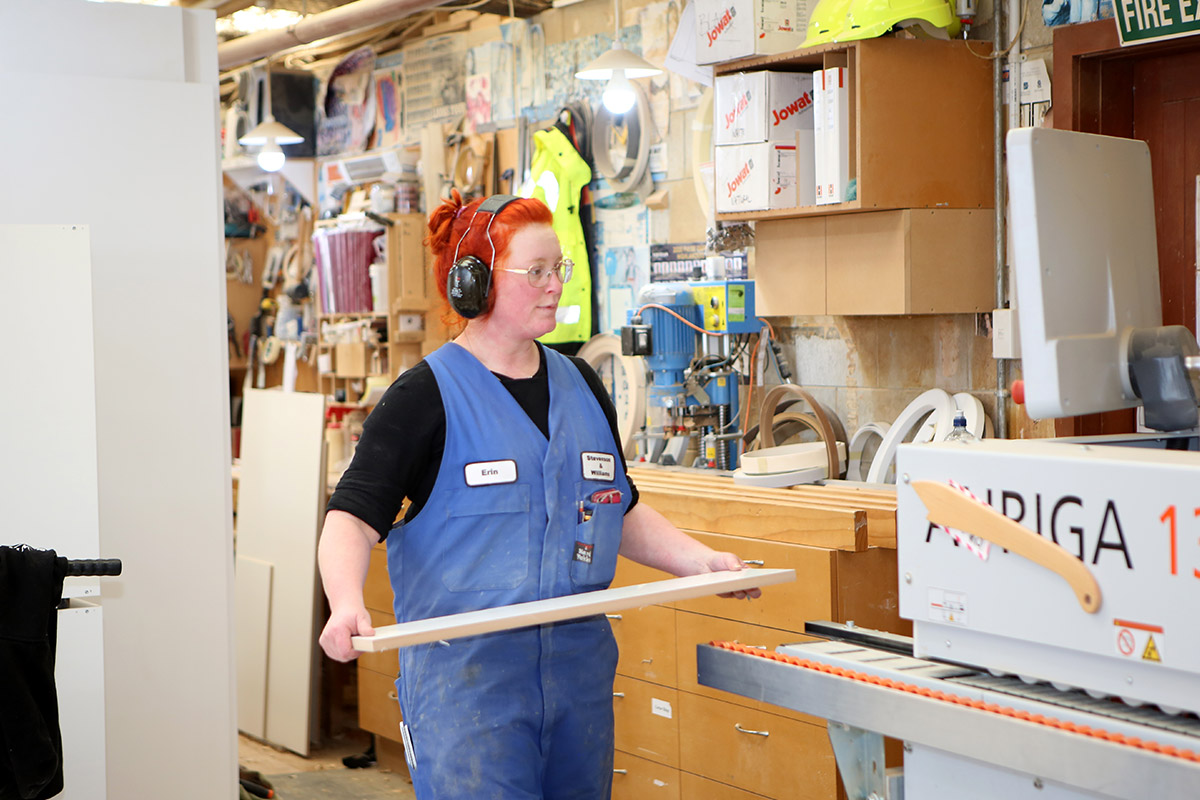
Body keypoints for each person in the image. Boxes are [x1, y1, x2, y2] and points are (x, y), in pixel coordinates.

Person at [317, 190, 757, 800]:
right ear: (474, 284)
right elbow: (351, 520)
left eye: (560, 270)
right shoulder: (423, 399)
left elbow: (616, 508)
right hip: (468, 690)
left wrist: (699, 562)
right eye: (537, 272)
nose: (556, 286)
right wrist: (344, 602)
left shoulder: (581, 384)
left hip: (578, 680)